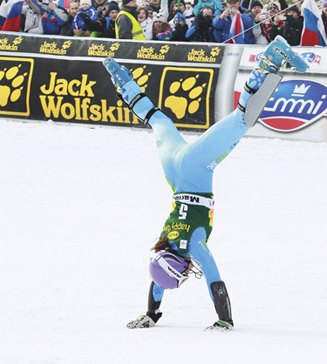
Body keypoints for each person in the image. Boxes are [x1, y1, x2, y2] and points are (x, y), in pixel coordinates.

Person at [104, 36, 308, 330]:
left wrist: (224, 319)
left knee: (241, 120)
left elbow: (213, 277)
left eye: (182, 275)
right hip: (173, 170)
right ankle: (122, 81)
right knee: (156, 118)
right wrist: (151, 312)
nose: (186, 275)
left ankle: (271, 59)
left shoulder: (192, 246)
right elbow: (159, 276)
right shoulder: (164, 242)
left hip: (195, 170)